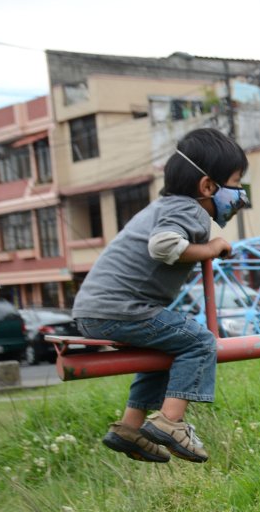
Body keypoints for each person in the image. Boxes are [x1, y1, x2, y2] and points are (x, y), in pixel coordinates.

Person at [72, 128, 249, 464]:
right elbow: (163, 246)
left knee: (166, 347)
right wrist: (210, 248)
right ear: (208, 186)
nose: (240, 193)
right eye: (237, 182)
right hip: (120, 309)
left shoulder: (167, 206)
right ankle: (170, 422)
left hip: (97, 309)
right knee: (198, 341)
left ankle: (129, 427)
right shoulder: (189, 210)